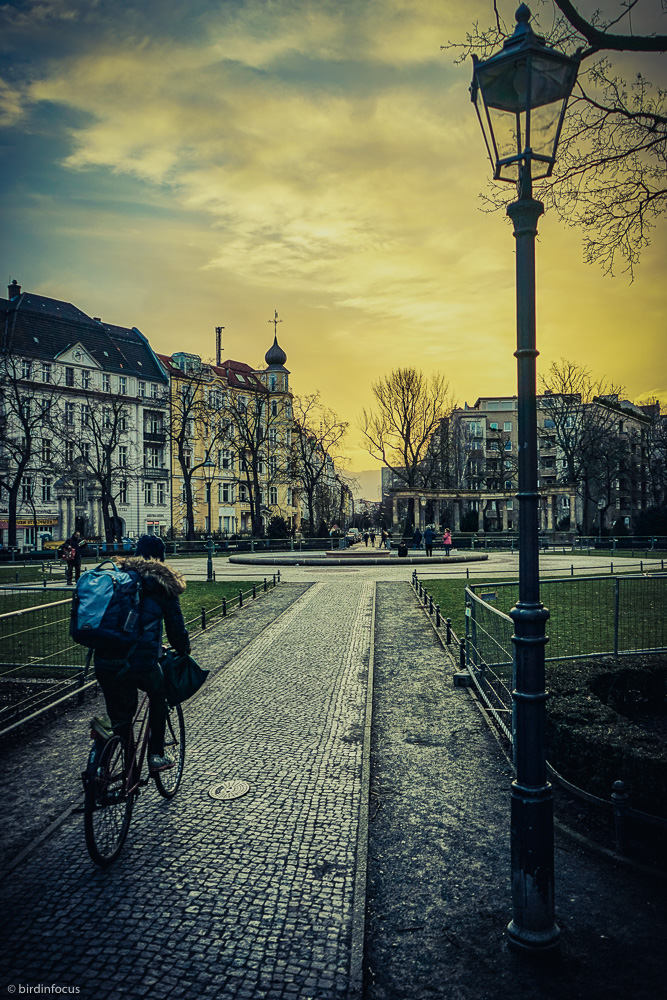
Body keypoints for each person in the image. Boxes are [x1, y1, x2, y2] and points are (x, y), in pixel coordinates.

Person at [92, 534, 190, 773]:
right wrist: (183, 650)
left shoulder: (117, 577)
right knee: (158, 692)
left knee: (120, 717)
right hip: (140, 661)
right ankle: (156, 754)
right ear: (161, 558)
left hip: (104, 658)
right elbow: (176, 629)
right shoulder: (162, 584)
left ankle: (110, 770)